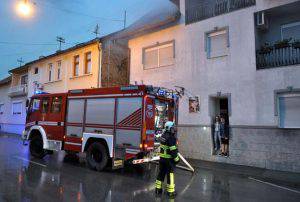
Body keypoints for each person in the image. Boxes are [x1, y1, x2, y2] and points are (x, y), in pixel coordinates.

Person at [155, 121, 180, 198]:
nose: (174, 129)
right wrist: (177, 159)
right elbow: (173, 151)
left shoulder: (163, 135)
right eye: (173, 127)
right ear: (169, 128)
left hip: (162, 159)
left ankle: (158, 189)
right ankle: (171, 192)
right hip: (169, 160)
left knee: (161, 173)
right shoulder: (171, 138)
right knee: (170, 175)